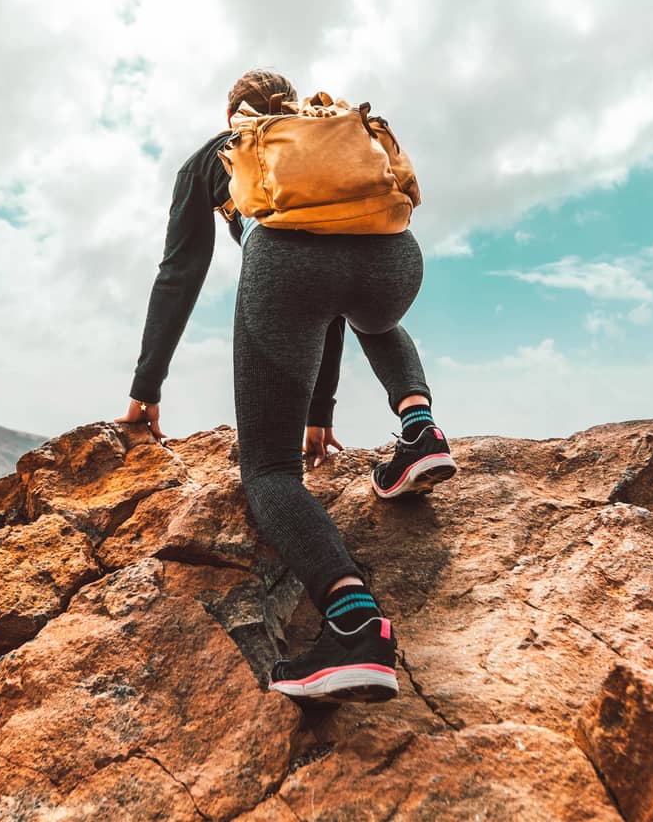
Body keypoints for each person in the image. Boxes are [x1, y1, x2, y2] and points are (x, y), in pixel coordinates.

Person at [117, 68, 455, 704]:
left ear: (234, 115)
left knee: (270, 473)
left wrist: (147, 385)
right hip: (395, 262)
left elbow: (178, 274)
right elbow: (335, 293)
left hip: (288, 271)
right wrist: (319, 408)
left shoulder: (217, 155)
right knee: (366, 308)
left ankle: (354, 627)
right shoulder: (327, 134)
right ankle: (420, 430)